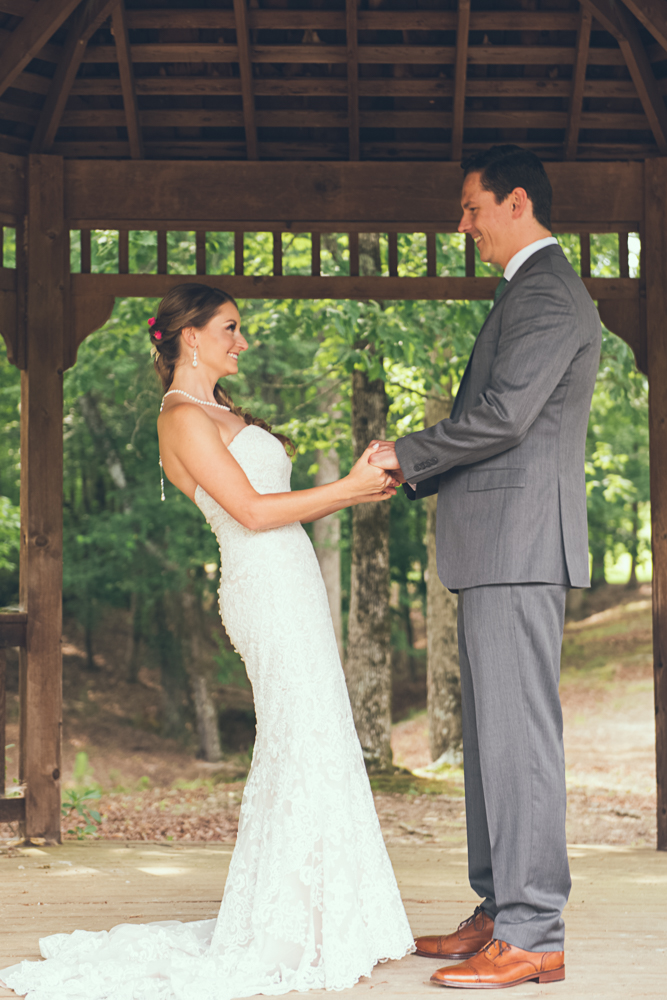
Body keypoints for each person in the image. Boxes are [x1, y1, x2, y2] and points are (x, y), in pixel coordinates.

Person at [0, 283, 415, 1000]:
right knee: (299, 736)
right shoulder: (181, 417)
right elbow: (251, 513)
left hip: (293, 583)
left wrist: (356, 487)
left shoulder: (218, 411)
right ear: (190, 336)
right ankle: (287, 924)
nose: (242, 341)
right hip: (264, 587)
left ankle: (325, 913)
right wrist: (349, 489)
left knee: (319, 735)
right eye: (230, 328)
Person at [369, 145, 601, 989]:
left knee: (520, 746)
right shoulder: (526, 293)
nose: (460, 226)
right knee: (491, 747)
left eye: (469, 210)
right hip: (497, 547)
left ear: (514, 202)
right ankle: (500, 910)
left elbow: (502, 419)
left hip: (519, 544)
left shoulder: (546, 292)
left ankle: (534, 933)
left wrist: (407, 452)